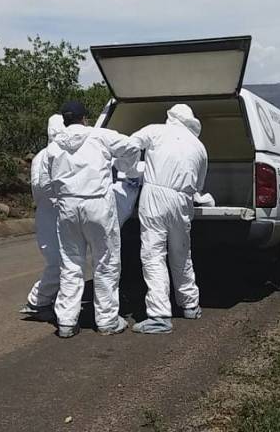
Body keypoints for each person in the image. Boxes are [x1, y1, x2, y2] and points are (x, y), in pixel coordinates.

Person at [47, 101, 139, 338]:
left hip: (67, 206)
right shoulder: (99, 135)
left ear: (65, 121)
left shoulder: (54, 146)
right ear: (84, 119)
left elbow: (50, 178)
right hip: (97, 203)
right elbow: (130, 147)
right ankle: (107, 321)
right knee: (105, 262)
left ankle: (66, 322)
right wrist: (128, 170)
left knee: (71, 264)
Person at [130, 104, 208, 334]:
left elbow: (129, 145)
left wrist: (131, 169)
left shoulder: (155, 130)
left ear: (170, 117)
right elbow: (199, 185)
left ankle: (159, 315)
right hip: (183, 199)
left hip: (154, 196)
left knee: (154, 255)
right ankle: (190, 305)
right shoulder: (200, 147)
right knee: (181, 254)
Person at [19, 115, 66, 321]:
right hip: (52, 213)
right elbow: (43, 188)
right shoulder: (51, 155)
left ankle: (54, 301)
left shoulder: (43, 155)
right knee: (59, 262)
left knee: (65, 261)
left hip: (52, 212)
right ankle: (38, 301)